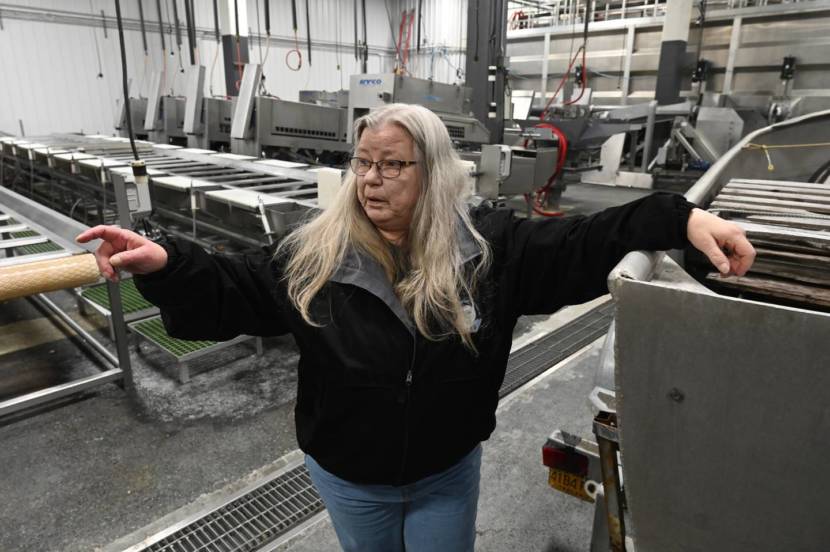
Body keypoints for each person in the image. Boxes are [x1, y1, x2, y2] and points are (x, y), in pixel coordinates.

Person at [77, 103, 755, 552]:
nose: (372, 180)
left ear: (430, 173)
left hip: (443, 471)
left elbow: (583, 242)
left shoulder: (489, 251)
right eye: (364, 164)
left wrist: (679, 218)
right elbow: (238, 287)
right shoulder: (315, 253)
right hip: (349, 476)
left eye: (392, 165)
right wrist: (167, 264)